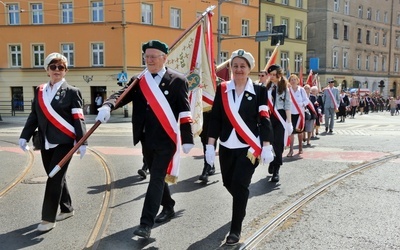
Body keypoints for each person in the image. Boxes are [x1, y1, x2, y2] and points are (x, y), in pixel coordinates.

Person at [96, 40, 194, 239]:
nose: (149, 60)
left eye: (153, 56)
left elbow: (184, 111)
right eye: (146, 56)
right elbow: (121, 95)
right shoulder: (139, 79)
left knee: (156, 178)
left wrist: (187, 138)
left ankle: (145, 224)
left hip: (166, 139)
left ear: (164, 58)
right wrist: (108, 105)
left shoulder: (177, 80)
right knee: (156, 178)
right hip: (145, 139)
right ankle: (168, 206)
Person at [205, 49, 274, 246]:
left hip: (248, 148)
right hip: (227, 145)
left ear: (249, 68)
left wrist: (267, 145)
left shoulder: (260, 91)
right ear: (230, 68)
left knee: (240, 184)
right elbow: (216, 118)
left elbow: (264, 118)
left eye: (242, 66)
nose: (238, 69)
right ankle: (241, 202)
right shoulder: (223, 89)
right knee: (229, 183)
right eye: (235, 66)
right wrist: (210, 145)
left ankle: (235, 230)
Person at [19, 52, 87, 232]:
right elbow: (34, 115)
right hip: (45, 142)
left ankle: (48, 219)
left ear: (66, 71)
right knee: (55, 176)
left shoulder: (72, 92)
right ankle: (67, 208)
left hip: (65, 142)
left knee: (53, 178)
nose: (57, 70)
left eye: (61, 67)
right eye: (53, 66)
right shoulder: (39, 90)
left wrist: (82, 142)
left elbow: (78, 118)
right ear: (47, 70)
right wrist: (24, 136)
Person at [265, 64, 292, 182]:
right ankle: (272, 160)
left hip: (280, 116)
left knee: (278, 143)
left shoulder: (284, 88)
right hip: (268, 116)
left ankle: (276, 169)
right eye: (270, 75)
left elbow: (287, 105)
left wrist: (289, 122)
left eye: (273, 75)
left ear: (279, 75)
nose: (271, 77)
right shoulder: (266, 88)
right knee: (269, 141)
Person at [287, 74, 309, 156]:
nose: (293, 81)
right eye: (291, 80)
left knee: (300, 132)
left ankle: (300, 147)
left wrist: (302, 104)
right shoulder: (288, 90)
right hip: (290, 114)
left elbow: (307, 100)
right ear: (289, 81)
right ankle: (291, 150)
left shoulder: (301, 90)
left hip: (300, 114)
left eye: (294, 79)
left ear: (297, 80)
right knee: (291, 132)